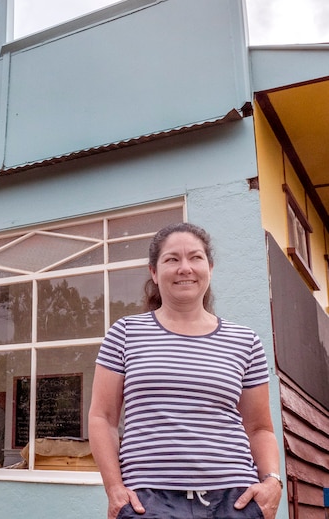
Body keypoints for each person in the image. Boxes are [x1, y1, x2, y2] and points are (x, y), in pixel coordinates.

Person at [88, 222, 283, 519]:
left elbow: (259, 428)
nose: (185, 268)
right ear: (154, 272)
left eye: (195, 257)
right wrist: (114, 488)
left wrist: (272, 482)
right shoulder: (125, 333)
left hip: (234, 500)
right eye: (172, 259)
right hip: (147, 502)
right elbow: (102, 418)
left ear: (210, 267)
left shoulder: (245, 341)